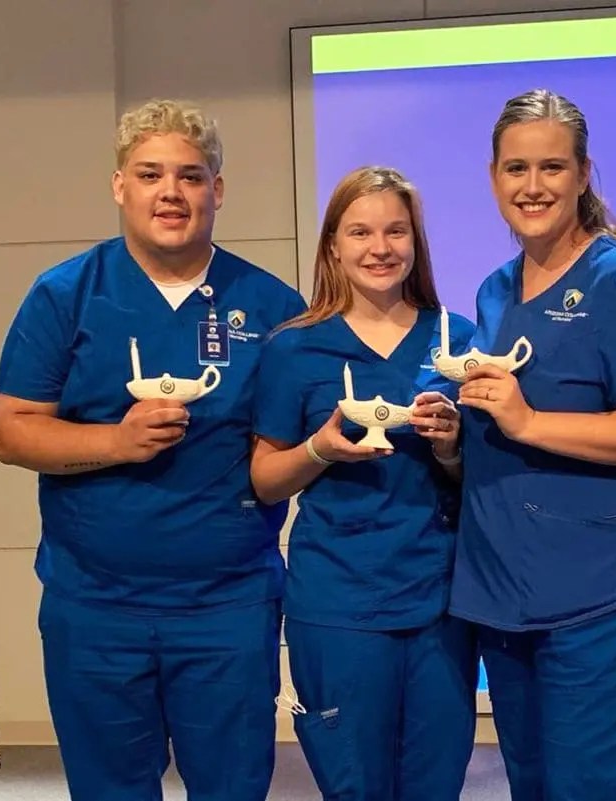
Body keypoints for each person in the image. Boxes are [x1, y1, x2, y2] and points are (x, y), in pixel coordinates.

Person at [0, 99, 305, 801]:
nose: (171, 193)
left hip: (228, 606)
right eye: (150, 174)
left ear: (217, 190)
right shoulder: (66, 295)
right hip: (95, 607)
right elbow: (11, 430)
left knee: (232, 789)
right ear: (119, 186)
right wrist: (116, 441)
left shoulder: (274, 307)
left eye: (190, 177)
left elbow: (286, 450)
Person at [450, 89, 616, 800]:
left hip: (602, 599)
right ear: (493, 176)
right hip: (506, 596)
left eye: (552, 167)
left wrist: (529, 421)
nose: (533, 186)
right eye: (516, 168)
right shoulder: (495, 291)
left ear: (583, 173)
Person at [249, 165, 477, 801]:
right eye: (360, 232)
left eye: (395, 231)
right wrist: (319, 449)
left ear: (416, 243)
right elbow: (265, 481)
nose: (380, 248)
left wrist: (451, 448)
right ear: (333, 246)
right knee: (356, 788)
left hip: (441, 602)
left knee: (435, 786)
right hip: (339, 604)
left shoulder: (457, 340)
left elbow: (482, 481)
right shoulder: (294, 349)